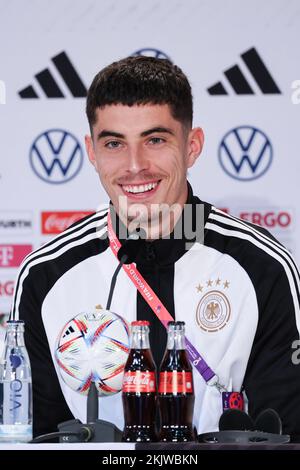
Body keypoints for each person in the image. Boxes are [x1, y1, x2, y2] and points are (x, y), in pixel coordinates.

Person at [11, 56, 300, 440]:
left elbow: (285, 435)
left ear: (192, 145)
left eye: (155, 140)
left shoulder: (262, 265)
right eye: (114, 143)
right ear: (92, 152)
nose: (135, 166)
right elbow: (35, 438)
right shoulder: (46, 275)